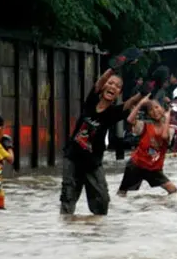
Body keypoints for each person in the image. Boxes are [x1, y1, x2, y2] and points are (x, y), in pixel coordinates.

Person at [61, 67, 144, 215]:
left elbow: (131, 101)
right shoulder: (91, 101)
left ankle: (98, 232)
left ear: (118, 93)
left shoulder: (113, 113)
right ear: (104, 86)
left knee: (102, 201)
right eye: (110, 83)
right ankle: (67, 230)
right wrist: (114, 67)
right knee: (68, 198)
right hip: (73, 158)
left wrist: (145, 91)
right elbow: (99, 82)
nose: (113, 87)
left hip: (92, 163)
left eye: (117, 86)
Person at [118, 97, 177, 196]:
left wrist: (167, 118)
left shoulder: (170, 129)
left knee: (173, 190)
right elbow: (130, 119)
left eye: (157, 107)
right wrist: (140, 103)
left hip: (154, 169)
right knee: (122, 194)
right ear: (148, 114)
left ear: (163, 108)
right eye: (150, 110)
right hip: (136, 165)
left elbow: (164, 136)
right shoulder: (144, 126)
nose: (154, 111)